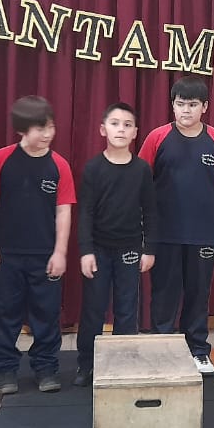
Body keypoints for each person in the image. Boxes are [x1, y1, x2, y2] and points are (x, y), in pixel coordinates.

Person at [139, 76, 214, 374]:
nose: (186, 110)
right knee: (164, 294)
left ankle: (197, 350)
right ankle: (162, 349)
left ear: (205, 107)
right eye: (180, 104)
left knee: (198, 294)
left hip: (205, 233)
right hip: (164, 233)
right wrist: (142, 228)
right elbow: (140, 183)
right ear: (172, 105)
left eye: (193, 105)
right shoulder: (157, 137)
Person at [0, 96, 75, 395]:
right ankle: (5, 370)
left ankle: (45, 367)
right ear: (22, 130)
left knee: (46, 314)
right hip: (7, 254)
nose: (47, 134)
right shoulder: (1, 159)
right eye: (40, 128)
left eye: (51, 127)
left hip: (44, 255)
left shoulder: (59, 165)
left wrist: (60, 252)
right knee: (5, 314)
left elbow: (63, 210)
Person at [73, 102, 158, 388]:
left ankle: (124, 362)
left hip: (130, 249)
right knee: (93, 309)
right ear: (103, 129)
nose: (121, 129)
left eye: (127, 125)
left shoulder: (141, 169)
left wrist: (149, 249)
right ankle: (87, 363)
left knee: (127, 309)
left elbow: (150, 211)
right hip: (98, 249)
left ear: (135, 132)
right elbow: (85, 212)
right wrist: (86, 251)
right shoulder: (93, 168)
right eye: (115, 123)